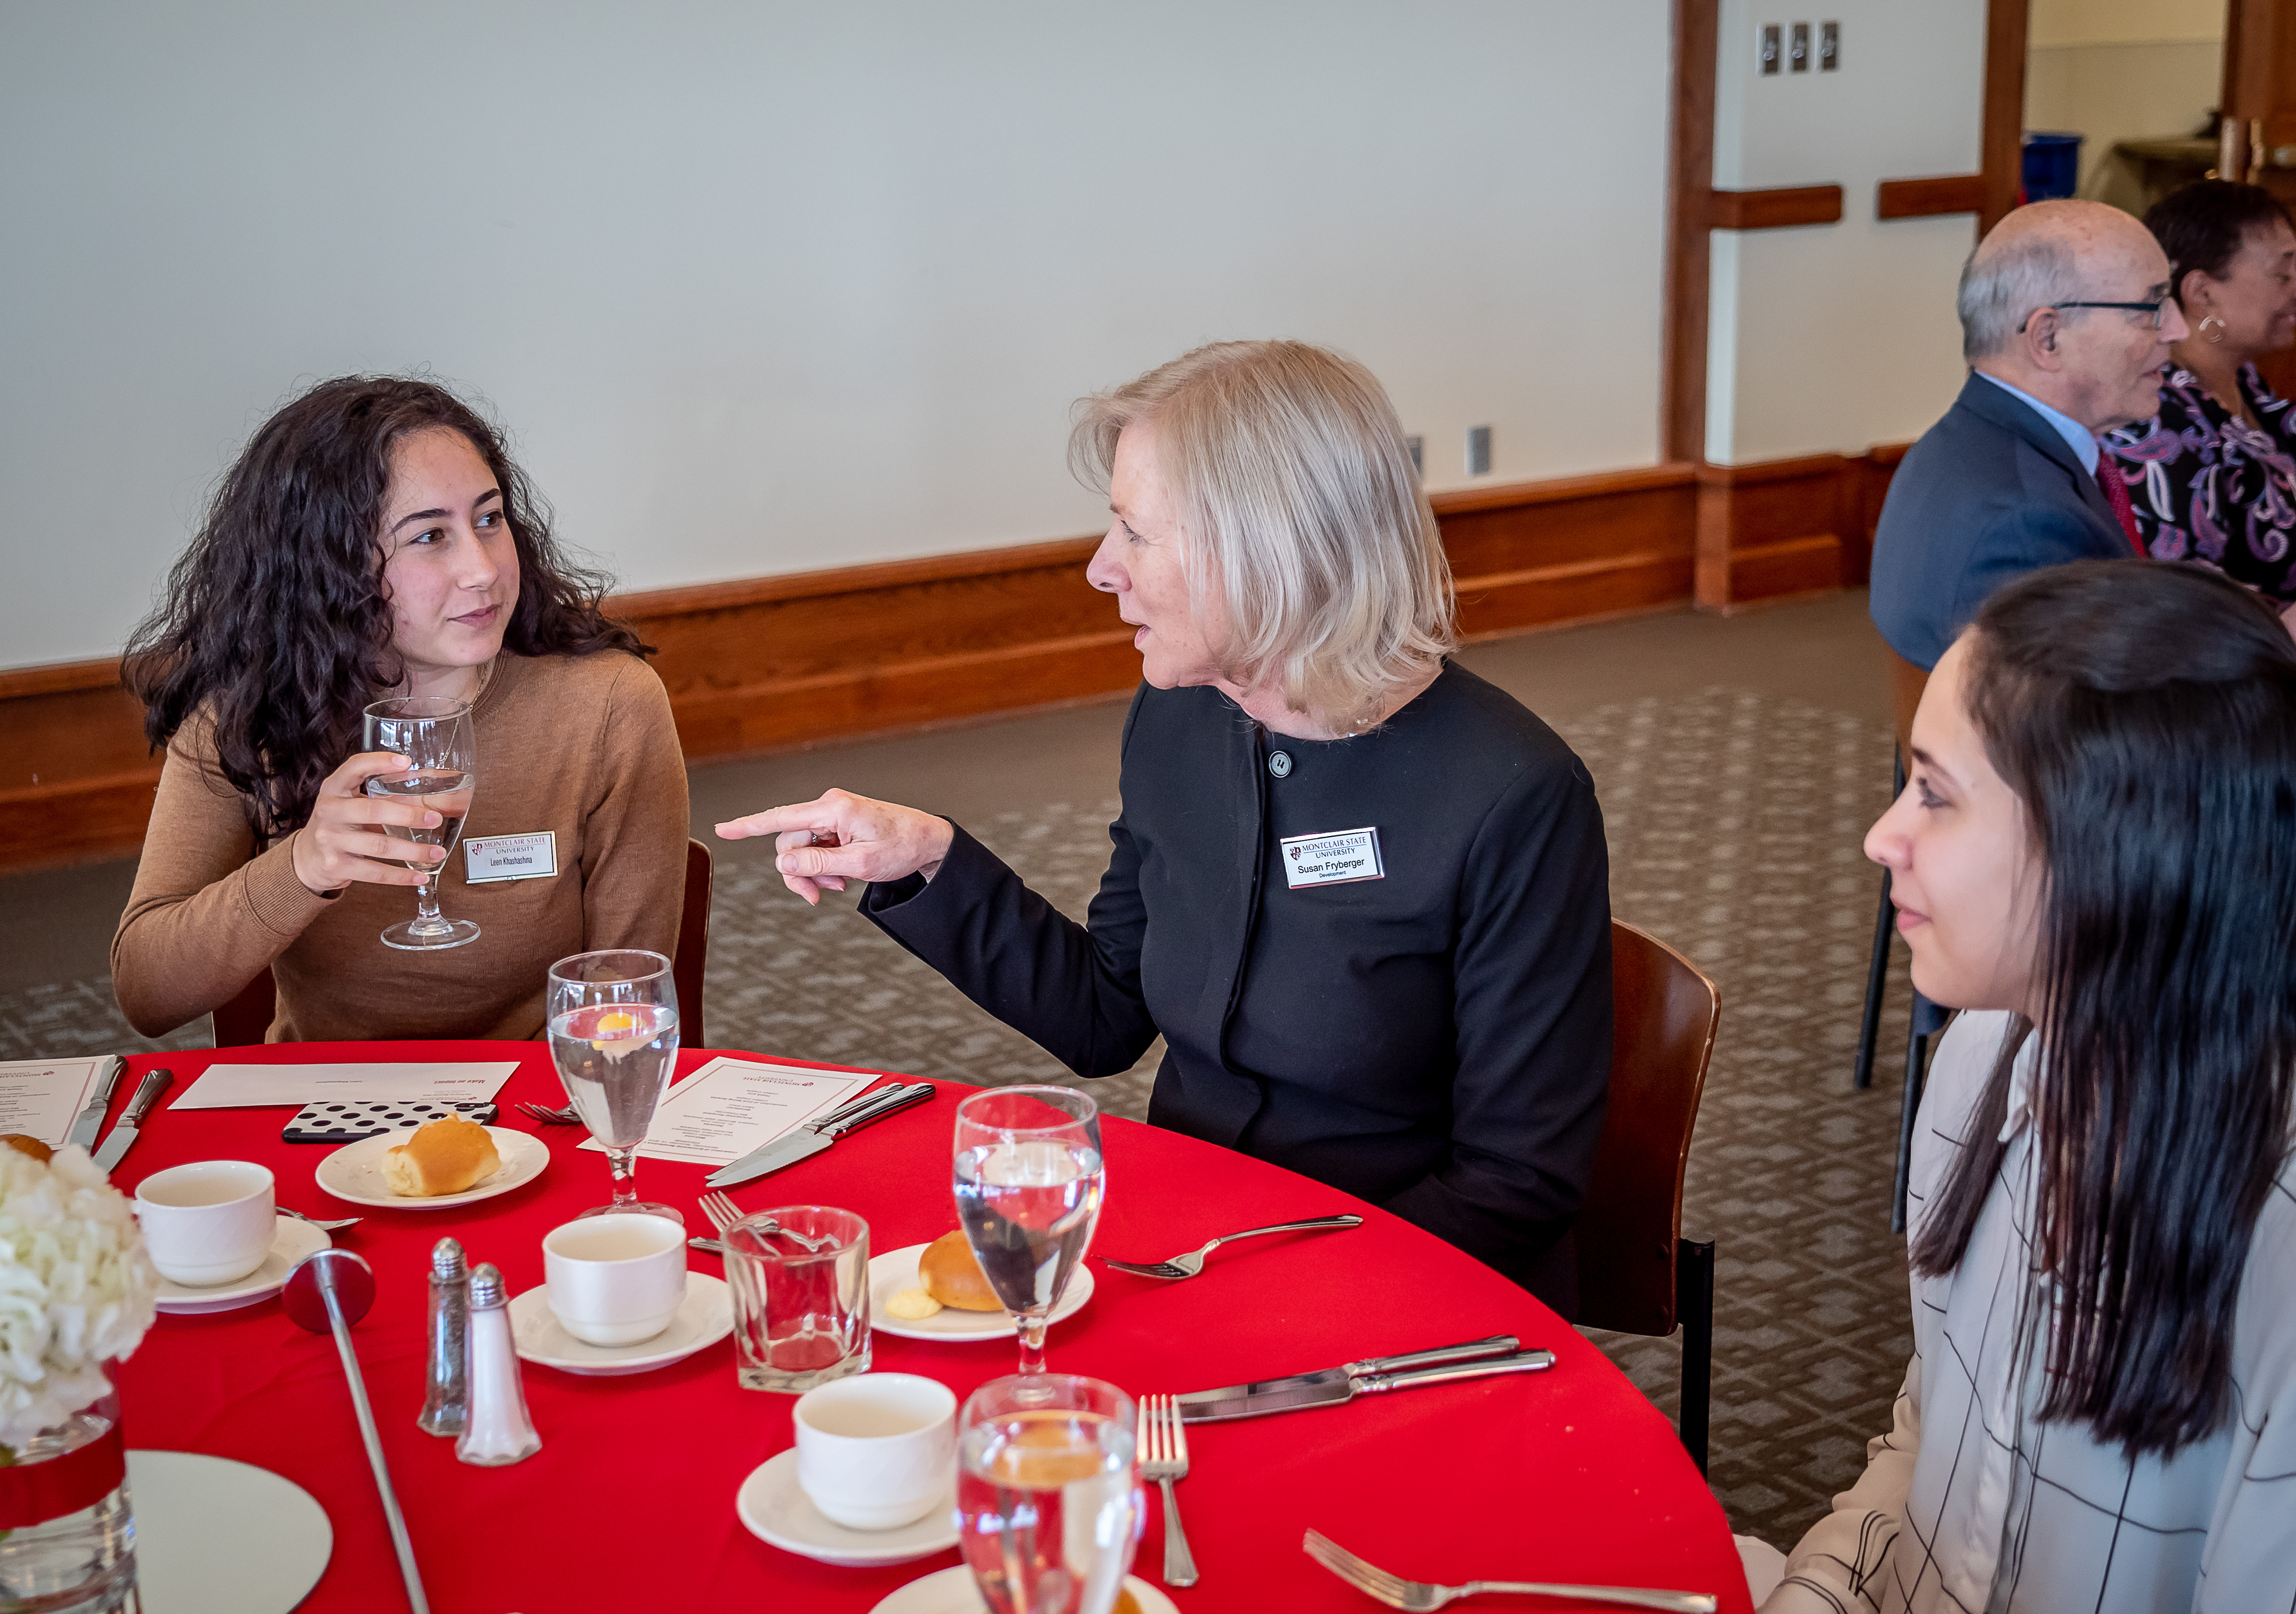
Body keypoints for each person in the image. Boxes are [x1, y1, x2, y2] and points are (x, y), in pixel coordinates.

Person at [716, 341, 1612, 1309]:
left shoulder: (1510, 793)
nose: (1100, 569)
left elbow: (1513, 1184)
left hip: (1394, 1288)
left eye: (1135, 533)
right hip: (1191, 1249)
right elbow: (1105, 1012)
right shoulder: (1180, 718)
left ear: (1267, 548)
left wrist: (1280, 1294)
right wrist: (928, 860)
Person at [1758, 560, 2296, 1614]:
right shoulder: (1982, 1054)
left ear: (2113, 851)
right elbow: (1926, 1439)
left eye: (1932, 795)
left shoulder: (2277, 1237)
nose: (1875, 837)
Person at [113, 376, 688, 1041]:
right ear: (326, 563)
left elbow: (625, 1002)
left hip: (535, 1109)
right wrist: (305, 865)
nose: (482, 569)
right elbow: (146, 993)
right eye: (428, 537)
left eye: (488, 519)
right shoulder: (247, 714)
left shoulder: (608, 704)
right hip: (324, 1115)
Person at [1869, 199, 2190, 673]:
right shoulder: (2026, 526)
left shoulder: (1959, 443)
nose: (2178, 329)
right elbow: (2088, 731)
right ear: (2047, 339)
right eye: (2151, 308)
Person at [2106, 180, 2296, 599]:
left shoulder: (2243, 380)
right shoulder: (2158, 423)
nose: (2295, 287)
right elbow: (2187, 605)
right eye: (2282, 274)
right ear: (2201, 292)